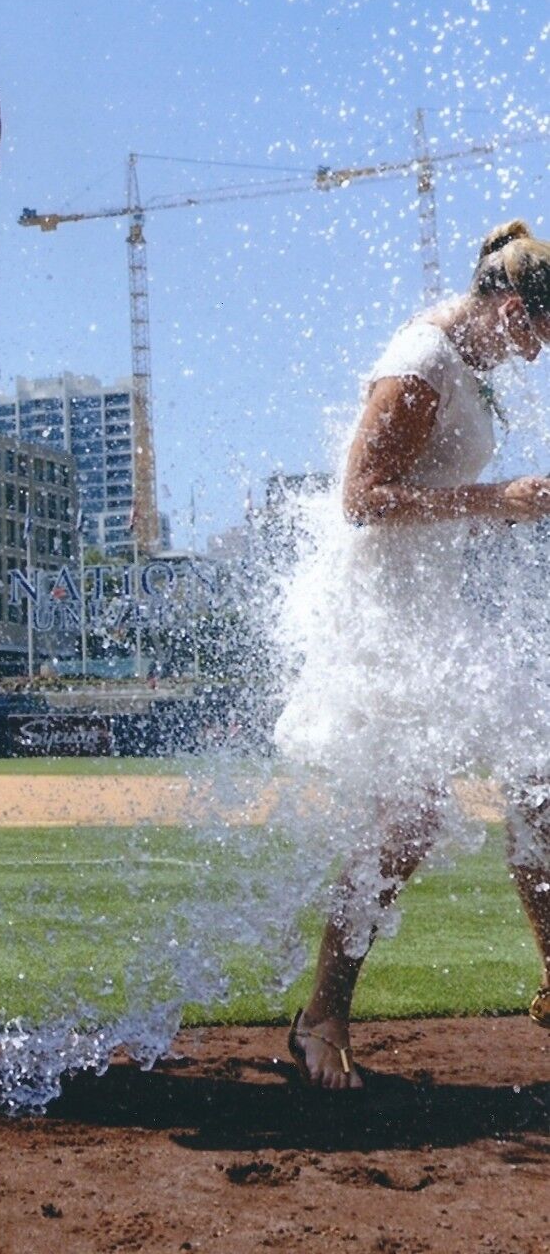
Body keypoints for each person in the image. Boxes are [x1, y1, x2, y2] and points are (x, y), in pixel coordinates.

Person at [276, 220, 550, 1089]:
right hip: (378, 619)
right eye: (537, 336)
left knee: (537, 779)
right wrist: (496, 498)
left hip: (427, 611)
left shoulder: (463, 356)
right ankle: (321, 1014)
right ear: (509, 308)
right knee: (411, 819)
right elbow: (359, 500)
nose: (537, 356)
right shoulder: (424, 360)